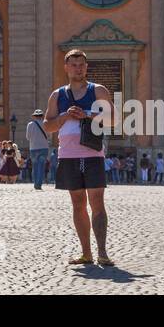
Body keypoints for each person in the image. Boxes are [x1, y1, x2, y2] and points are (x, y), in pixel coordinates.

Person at [45, 48, 113, 267]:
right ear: (66, 67)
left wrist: (88, 114)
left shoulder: (99, 91)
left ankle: (102, 252)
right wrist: (65, 117)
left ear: (86, 67)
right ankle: (86, 253)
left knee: (97, 203)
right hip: (68, 156)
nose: (78, 68)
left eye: (81, 64)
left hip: (93, 154)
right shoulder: (57, 95)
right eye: (73, 65)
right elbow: (47, 126)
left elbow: (113, 119)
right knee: (77, 204)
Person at [26, 110, 51, 190]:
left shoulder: (30, 124)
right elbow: (49, 136)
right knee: (41, 166)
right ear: (42, 116)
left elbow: (28, 137)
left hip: (33, 148)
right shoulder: (46, 123)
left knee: (35, 166)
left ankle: (35, 183)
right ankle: (39, 184)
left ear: (34, 116)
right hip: (44, 147)